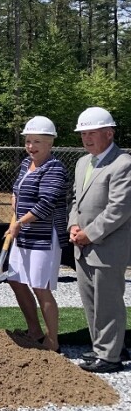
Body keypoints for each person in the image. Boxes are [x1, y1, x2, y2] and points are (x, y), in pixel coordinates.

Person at [68, 107, 131, 373]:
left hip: (108, 247)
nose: (86, 138)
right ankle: (102, 348)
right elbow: (75, 200)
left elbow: (119, 209)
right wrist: (73, 225)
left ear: (109, 133)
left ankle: (110, 357)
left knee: (108, 302)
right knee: (91, 301)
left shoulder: (123, 164)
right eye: (83, 134)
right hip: (82, 247)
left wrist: (88, 233)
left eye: (91, 133)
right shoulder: (83, 163)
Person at [5, 117, 69, 353]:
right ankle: (34, 331)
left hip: (43, 237)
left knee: (40, 287)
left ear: (50, 143)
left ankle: (53, 342)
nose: (31, 146)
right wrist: (14, 200)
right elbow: (17, 189)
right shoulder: (25, 163)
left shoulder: (55, 168)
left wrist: (20, 222)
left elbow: (47, 203)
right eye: (28, 141)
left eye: (38, 142)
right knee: (15, 279)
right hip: (23, 235)